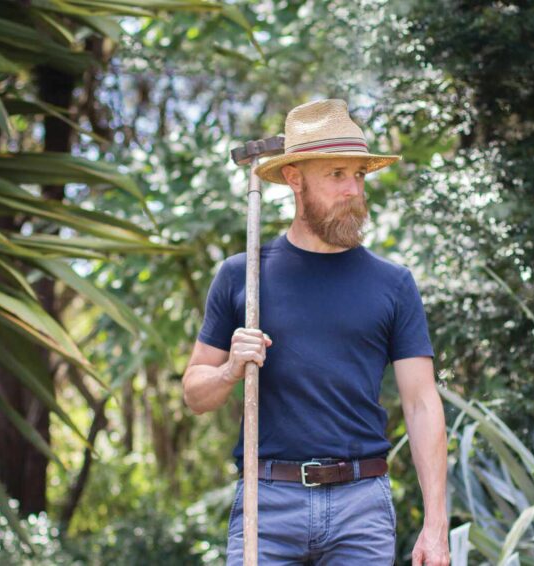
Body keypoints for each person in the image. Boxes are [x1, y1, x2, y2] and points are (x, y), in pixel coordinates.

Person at [182, 99, 450, 566]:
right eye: (336, 174)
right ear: (294, 178)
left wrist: (436, 526)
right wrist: (229, 370)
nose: (353, 189)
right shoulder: (242, 277)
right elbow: (194, 394)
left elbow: (422, 403)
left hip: (361, 508)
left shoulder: (393, 285)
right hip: (265, 505)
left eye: (359, 176)